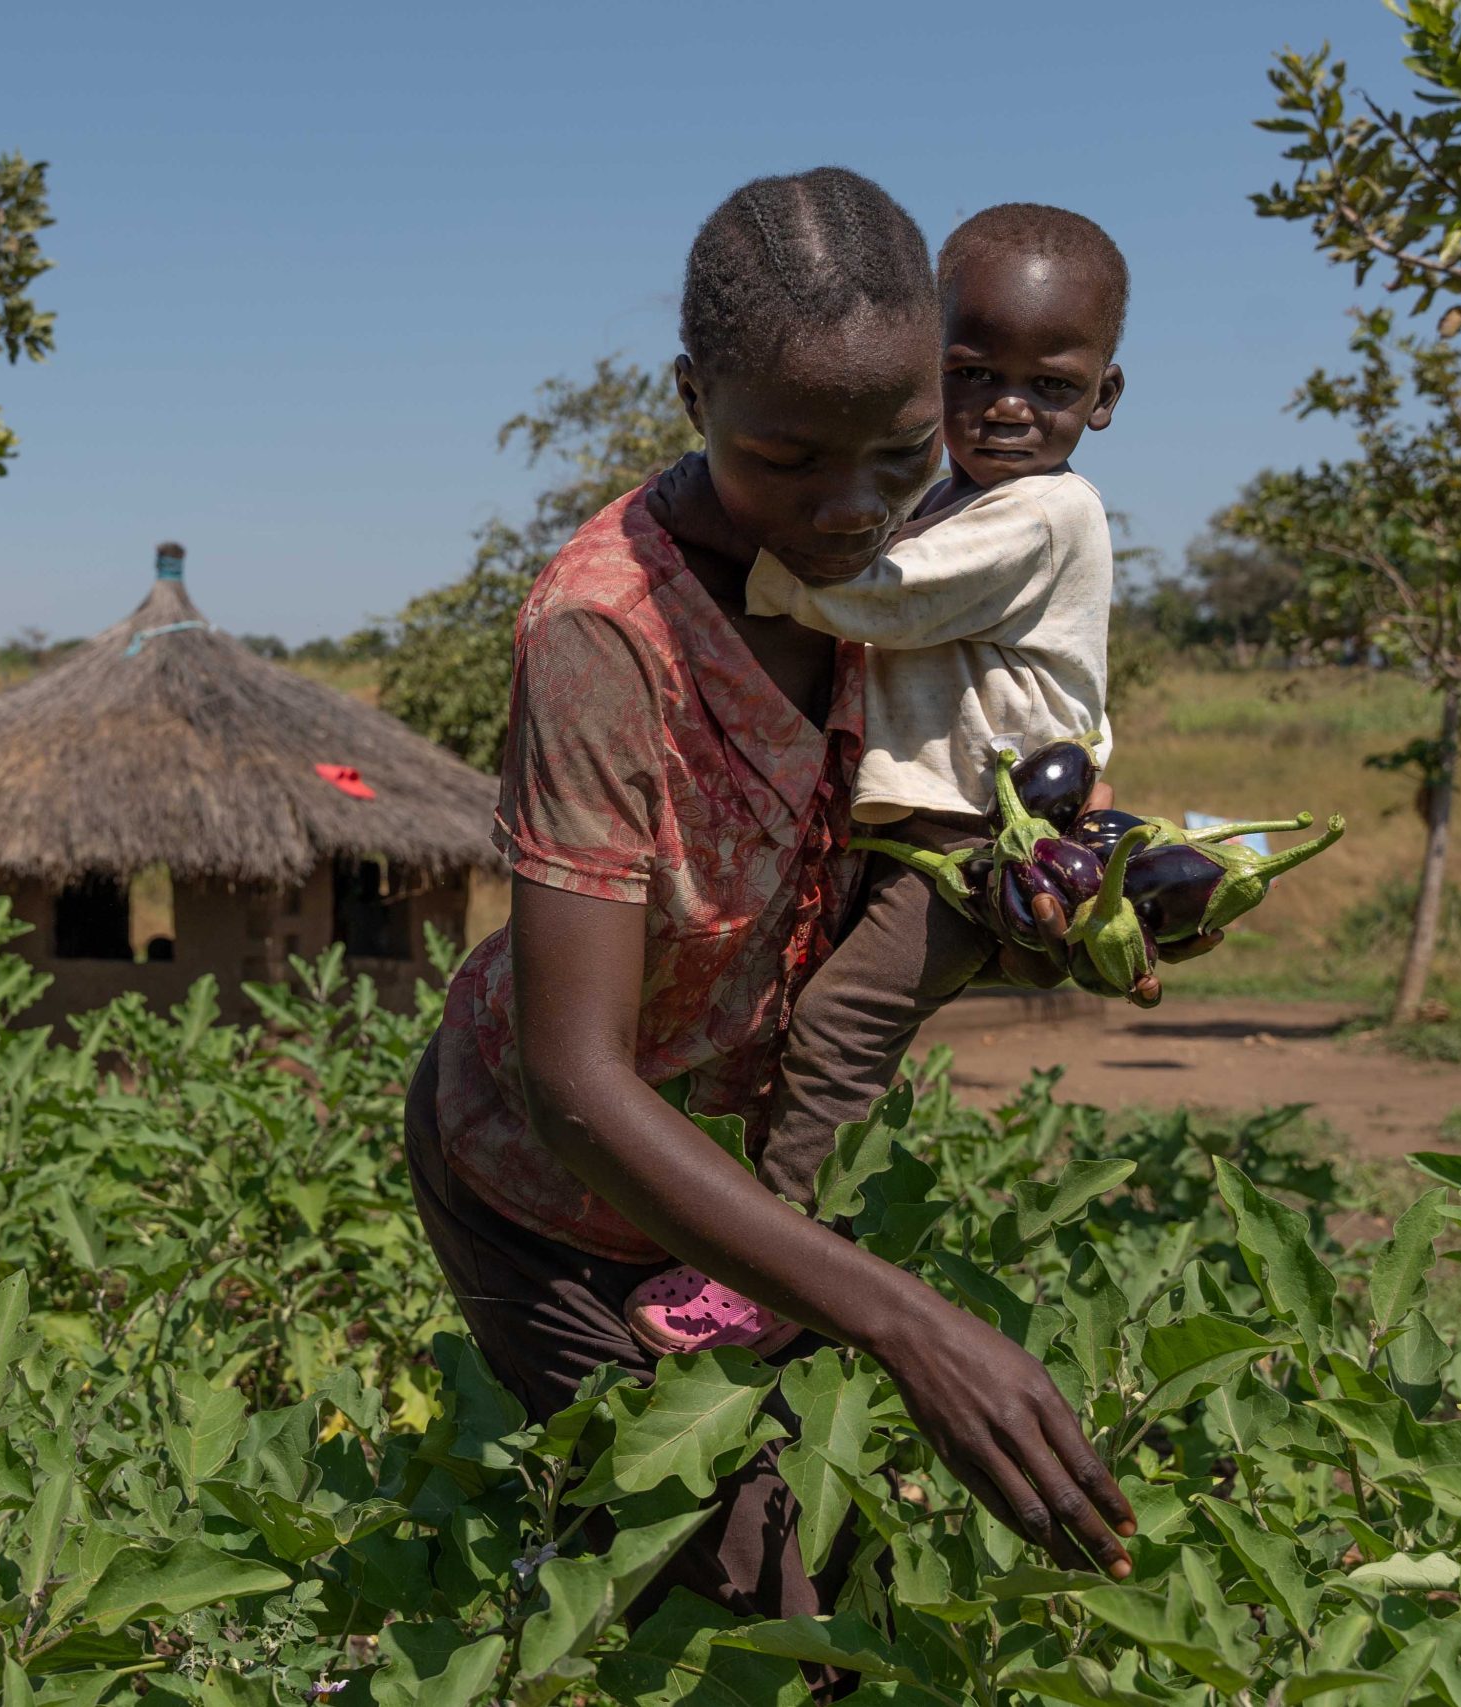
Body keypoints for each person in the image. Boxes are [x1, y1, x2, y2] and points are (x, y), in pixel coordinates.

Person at [404, 167, 1137, 1633]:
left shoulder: (921, 558)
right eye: (787, 458)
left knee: (821, 1587)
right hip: (559, 1195)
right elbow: (574, 1082)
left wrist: (1069, 895)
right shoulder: (607, 635)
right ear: (692, 395)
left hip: (741, 1201)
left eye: (897, 450)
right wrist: (904, 1316)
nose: (850, 507)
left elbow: (922, 834)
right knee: (759, 1613)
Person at [626, 204, 1134, 1359]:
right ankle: (753, 1230)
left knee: (844, 1025)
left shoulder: (1046, 513)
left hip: (983, 841)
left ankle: (784, 1269)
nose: (1007, 406)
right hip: (910, 830)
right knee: (788, 1022)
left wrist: (709, 537)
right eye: (971, 374)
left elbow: (880, 594)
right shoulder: (954, 498)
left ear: (1102, 400)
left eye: (1047, 388)